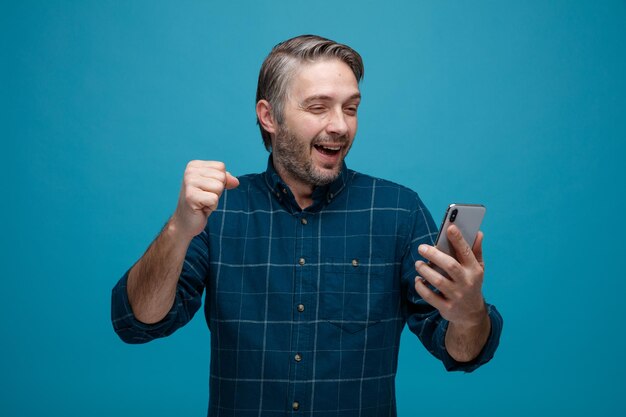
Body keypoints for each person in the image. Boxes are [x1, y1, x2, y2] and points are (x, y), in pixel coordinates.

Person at [111, 34, 503, 417]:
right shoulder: (219, 211)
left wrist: (469, 314)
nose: (340, 126)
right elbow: (139, 321)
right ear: (269, 116)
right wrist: (179, 229)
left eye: (350, 108)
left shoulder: (398, 210)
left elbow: (461, 351)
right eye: (319, 107)